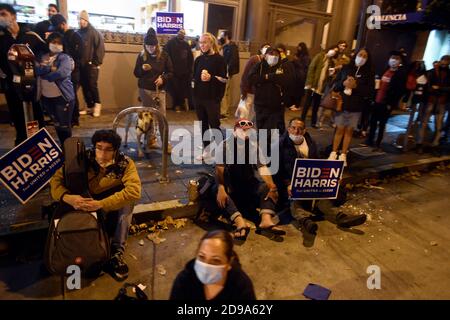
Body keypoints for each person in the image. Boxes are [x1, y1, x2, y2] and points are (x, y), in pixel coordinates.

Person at [50, 129, 142, 281]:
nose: (102, 154)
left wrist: (101, 204)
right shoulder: (81, 159)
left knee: (128, 204)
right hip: (83, 198)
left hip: (107, 200)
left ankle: (116, 251)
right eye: (99, 148)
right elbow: (55, 181)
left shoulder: (125, 163)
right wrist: (67, 197)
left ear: (116, 150)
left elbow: (134, 191)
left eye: (108, 150)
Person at [277, 118, 367, 237]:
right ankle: (305, 221)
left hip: (309, 180)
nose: (296, 131)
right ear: (288, 129)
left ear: (304, 131)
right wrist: (287, 184)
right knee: (294, 200)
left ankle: (341, 218)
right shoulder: (280, 145)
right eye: (293, 128)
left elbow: (318, 163)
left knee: (323, 197)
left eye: (300, 129)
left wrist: (332, 177)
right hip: (291, 182)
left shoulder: (311, 143)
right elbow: (278, 170)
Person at [214, 119, 286, 240]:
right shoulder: (225, 146)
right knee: (218, 192)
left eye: (248, 130)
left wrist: (271, 186)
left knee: (267, 187)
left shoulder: (254, 145)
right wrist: (221, 188)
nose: (245, 132)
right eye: (242, 129)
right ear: (235, 130)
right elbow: (219, 170)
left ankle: (266, 220)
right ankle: (239, 222)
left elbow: (262, 166)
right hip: (231, 185)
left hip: (248, 184)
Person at [0, 3, 47, 145]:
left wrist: (42, 66)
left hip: (31, 86)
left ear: (13, 16)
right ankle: (21, 144)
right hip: (11, 87)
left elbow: (47, 53)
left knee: (36, 117)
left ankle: (40, 143)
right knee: (18, 118)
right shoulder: (1, 39)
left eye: (3, 14)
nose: (0, 18)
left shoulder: (30, 35)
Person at [170, 229, 256, 300]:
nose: (206, 266)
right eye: (202, 257)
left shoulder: (241, 286)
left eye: (216, 260)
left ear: (229, 263)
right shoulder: (184, 280)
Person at [328, 48, 375, 166]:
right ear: (355, 55)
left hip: (356, 107)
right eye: (360, 55)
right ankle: (333, 153)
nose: (362, 58)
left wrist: (356, 86)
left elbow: (370, 92)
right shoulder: (346, 68)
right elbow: (335, 85)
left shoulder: (369, 73)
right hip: (342, 104)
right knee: (339, 129)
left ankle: (343, 154)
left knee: (349, 131)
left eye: (365, 56)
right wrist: (343, 84)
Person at [134, 27, 173, 149]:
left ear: (157, 45)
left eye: (153, 46)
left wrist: (163, 79)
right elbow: (136, 73)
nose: (151, 48)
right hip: (145, 90)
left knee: (162, 117)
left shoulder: (164, 56)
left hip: (159, 91)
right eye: (148, 46)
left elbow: (170, 72)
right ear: (144, 45)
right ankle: (150, 140)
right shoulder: (141, 56)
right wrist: (142, 69)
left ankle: (165, 142)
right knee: (148, 118)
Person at [35, 32, 75, 145]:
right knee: (56, 123)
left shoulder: (65, 58)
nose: (56, 44)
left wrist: (46, 74)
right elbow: (36, 70)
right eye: (53, 42)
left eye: (59, 43)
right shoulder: (42, 56)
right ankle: (63, 145)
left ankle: (67, 148)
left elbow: (62, 72)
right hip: (47, 97)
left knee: (64, 125)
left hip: (62, 98)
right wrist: (50, 68)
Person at [192, 32, 227, 158]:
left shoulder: (219, 59)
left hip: (212, 98)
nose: (202, 45)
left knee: (214, 124)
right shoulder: (198, 59)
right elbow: (194, 78)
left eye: (204, 42)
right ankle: (206, 149)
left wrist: (211, 77)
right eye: (200, 42)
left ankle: (220, 151)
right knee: (203, 124)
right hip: (199, 97)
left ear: (211, 43)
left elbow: (224, 79)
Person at [366, 50, 407, 151]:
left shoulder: (400, 75)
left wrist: (391, 103)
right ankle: (370, 140)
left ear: (400, 61)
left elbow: (400, 91)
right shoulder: (385, 70)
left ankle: (378, 142)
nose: (393, 60)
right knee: (373, 122)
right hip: (377, 101)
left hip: (386, 103)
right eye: (392, 58)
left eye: (397, 59)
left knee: (382, 123)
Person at [49, 14, 83, 127]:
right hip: (66, 70)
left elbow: (79, 55)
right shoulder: (63, 35)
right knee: (67, 94)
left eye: (56, 26)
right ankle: (68, 117)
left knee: (71, 94)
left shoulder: (74, 35)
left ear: (63, 24)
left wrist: (72, 66)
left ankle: (74, 118)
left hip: (73, 71)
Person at [248, 47, 288, 134]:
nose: (273, 57)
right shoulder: (259, 66)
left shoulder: (282, 67)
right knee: (261, 127)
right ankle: (263, 146)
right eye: (271, 54)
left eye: (276, 55)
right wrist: (267, 77)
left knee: (268, 129)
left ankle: (265, 145)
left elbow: (286, 81)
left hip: (275, 105)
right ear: (265, 55)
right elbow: (251, 78)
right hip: (260, 103)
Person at [416, 55, 450, 155]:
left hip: (441, 102)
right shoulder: (432, 71)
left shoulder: (447, 73)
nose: (444, 63)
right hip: (431, 101)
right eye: (443, 61)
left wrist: (439, 88)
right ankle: (420, 144)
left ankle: (434, 145)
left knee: (438, 125)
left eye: (446, 62)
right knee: (424, 123)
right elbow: (427, 85)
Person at [301, 45, 338, 128]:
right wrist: (309, 82)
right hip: (312, 85)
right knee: (307, 104)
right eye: (333, 50)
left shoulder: (331, 62)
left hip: (320, 87)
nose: (333, 52)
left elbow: (329, 76)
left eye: (335, 52)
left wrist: (331, 74)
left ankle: (313, 123)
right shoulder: (320, 56)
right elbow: (311, 68)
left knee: (316, 105)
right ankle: (301, 121)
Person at [77, 10, 105, 117]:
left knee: (92, 86)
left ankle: (97, 105)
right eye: (80, 19)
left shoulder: (94, 33)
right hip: (81, 65)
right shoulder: (78, 32)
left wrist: (95, 62)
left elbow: (100, 48)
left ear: (87, 20)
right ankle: (89, 106)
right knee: (84, 86)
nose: (81, 22)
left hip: (92, 65)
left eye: (83, 19)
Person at [239, 43, 270, 123]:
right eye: (265, 48)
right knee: (244, 114)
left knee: (252, 114)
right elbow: (245, 76)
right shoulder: (254, 59)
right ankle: (240, 133)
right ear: (261, 50)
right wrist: (243, 90)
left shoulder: (267, 63)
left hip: (258, 93)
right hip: (249, 91)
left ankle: (247, 132)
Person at [164, 29, 193, 112]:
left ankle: (180, 104)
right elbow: (166, 55)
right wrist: (168, 68)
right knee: (175, 89)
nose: (182, 35)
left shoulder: (186, 44)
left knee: (182, 89)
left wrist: (189, 70)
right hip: (173, 71)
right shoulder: (170, 43)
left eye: (183, 33)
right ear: (177, 33)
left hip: (184, 72)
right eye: (180, 33)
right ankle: (176, 105)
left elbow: (190, 58)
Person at [218, 30, 240, 119]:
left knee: (224, 93)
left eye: (222, 35)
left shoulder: (232, 47)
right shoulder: (226, 46)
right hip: (226, 72)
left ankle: (223, 113)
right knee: (226, 93)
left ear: (226, 36)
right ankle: (225, 111)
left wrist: (227, 72)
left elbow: (232, 61)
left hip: (227, 72)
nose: (220, 37)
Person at [290, 42, 310, 111]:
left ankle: (297, 105)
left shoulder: (306, 56)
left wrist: (296, 60)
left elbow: (304, 66)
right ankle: (293, 104)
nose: (298, 48)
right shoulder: (297, 55)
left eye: (300, 47)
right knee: (293, 90)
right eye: (298, 47)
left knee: (299, 92)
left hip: (301, 76)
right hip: (295, 75)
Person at [276, 43, 296, 111]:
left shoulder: (287, 64)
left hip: (283, 93)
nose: (279, 53)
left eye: (281, 51)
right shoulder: (276, 62)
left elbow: (290, 79)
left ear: (284, 52)